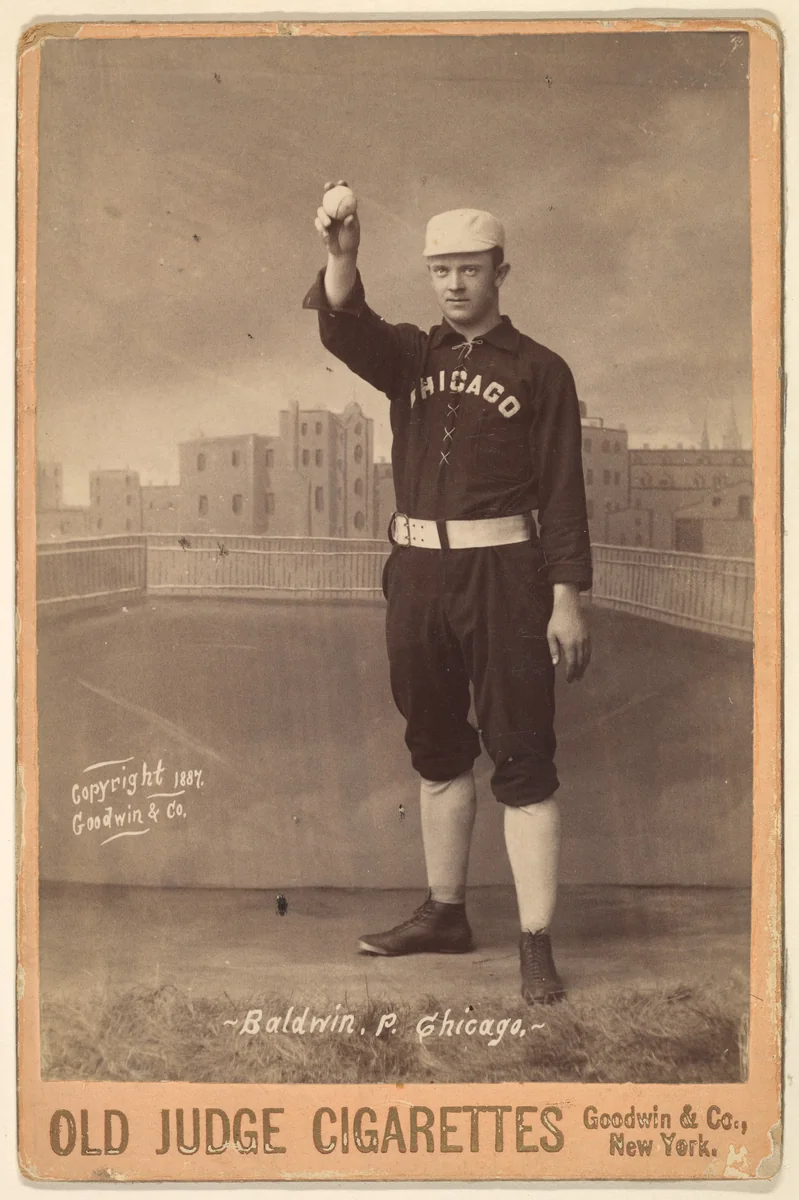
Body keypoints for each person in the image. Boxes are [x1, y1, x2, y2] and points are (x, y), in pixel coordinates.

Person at [303, 182, 592, 1005]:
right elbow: (344, 326)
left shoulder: (541, 371)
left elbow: (565, 494)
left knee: (521, 751)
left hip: (508, 579)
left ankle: (535, 942)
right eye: (441, 272)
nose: (455, 285)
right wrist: (342, 253)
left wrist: (566, 596)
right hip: (419, 577)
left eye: (470, 269)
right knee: (434, 742)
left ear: (502, 271)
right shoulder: (411, 357)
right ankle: (445, 913)